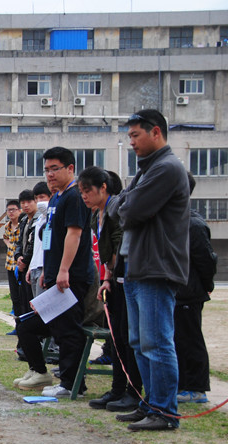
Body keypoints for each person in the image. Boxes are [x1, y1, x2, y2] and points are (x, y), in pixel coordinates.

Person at [108, 109, 189, 431]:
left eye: (135, 135)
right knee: (140, 342)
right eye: (129, 136)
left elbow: (129, 211)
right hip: (136, 265)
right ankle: (151, 403)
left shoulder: (167, 168)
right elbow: (119, 206)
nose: (131, 142)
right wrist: (124, 204)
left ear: (155, 132)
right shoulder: (147, 170)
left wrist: (124, 204)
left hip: (156, 267)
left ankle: (165, 411)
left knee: (157, 342)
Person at [13, 147, 95, 398]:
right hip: (53, 278)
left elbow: (74, 234)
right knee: (27, 325)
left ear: (70, 168)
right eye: (46, 169)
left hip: (71, 277)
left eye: (55, 169)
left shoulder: (74, 197)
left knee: (68, 330)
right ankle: (41, 372)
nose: (49, 174)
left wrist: (63, 270)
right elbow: (49, 240)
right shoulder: (57, 198)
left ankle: (71, 384)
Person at [78, 167, 143, 412]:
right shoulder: (96, 214)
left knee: (127, 338)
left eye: (87, 190)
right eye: (81, 191)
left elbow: (118, 247)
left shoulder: (116, 212)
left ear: (103, 187)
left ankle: (133, 391)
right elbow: (106, 254)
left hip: (128, 279)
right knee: (116, 338)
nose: (84, 196)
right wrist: (106, 279)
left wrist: (112, 276)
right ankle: (117, 389)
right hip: (113, 280)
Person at [175, 174, 217, 404]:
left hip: (189, 292)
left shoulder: (194, 225)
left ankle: (196, 388)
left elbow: (206, 261)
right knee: (177, 340)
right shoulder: (172, 220)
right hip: (174, 292)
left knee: (190, 340)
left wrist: (206, 286)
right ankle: (182, 384)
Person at [25, 181, 51, 299]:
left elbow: (47, 245)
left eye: (42, 197)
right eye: (36, 198)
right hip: (35, 266)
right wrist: (31, 267)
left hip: (43, 266)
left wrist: (46, 269)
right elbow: (37, 245)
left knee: (43, 303)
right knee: (35, 304)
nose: (39, 201)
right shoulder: (39, 220)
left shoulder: (51, 219)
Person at [3, 199, 24, 331]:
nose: (11, 212)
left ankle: (24, 326)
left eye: (13, 210)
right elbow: (5, 237)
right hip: (10, 264)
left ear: (19, 211)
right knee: (14, 297)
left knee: (23, 297)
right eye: (8, 210)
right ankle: (17, 326)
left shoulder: (23, 224)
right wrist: (10, 246)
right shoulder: (7, 226)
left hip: (21, 265)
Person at [14, 190, 36, 314]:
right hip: (22, 264)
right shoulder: (23, 221)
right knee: (24, 300)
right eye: (22, 203)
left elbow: (34, 244)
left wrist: (25, 260)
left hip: (32, 265)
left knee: (33, 300)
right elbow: (19, 242)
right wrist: (18, 256)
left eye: (29, 201)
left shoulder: (38, 220)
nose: (25, 205)